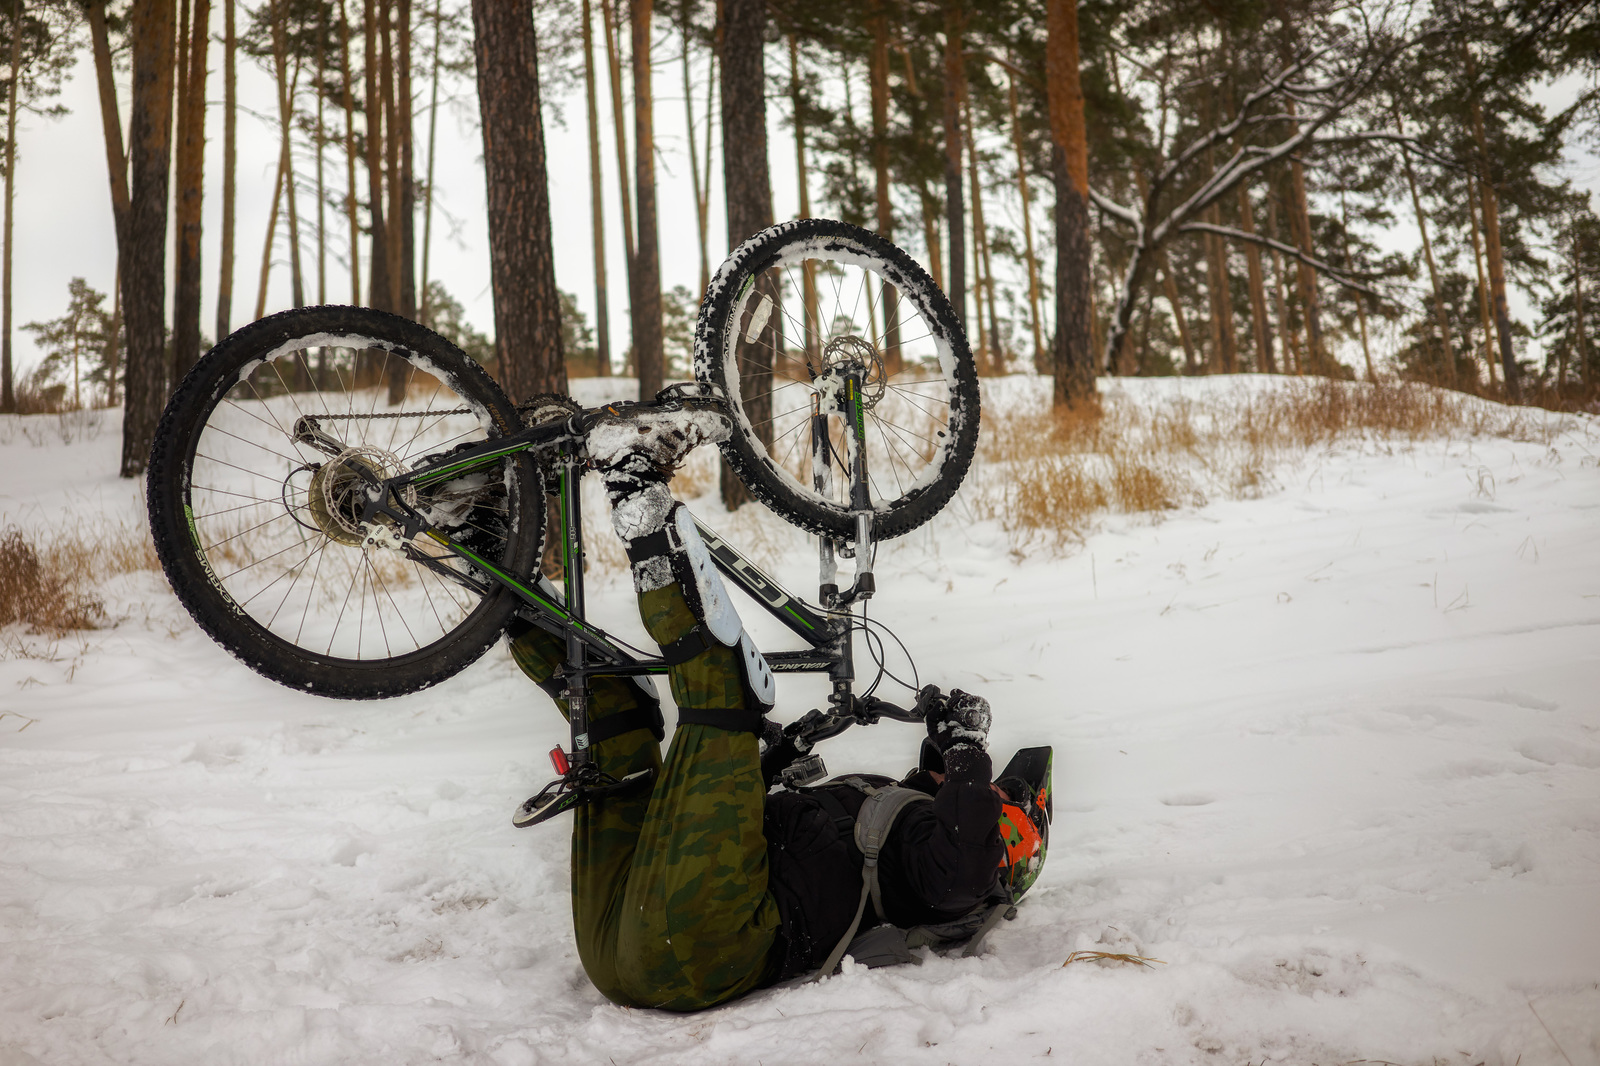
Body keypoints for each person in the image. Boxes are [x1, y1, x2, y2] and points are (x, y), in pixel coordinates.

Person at [503, 404, 1047, 1012]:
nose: (975, 788)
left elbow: (964, 864)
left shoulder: (965, 884)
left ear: (1012, 840)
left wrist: (971, 751)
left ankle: (633, 476)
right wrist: (777, 757)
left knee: (725, 696)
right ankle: (484, 542)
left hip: (704, 947)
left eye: (996, 798)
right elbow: (721, 834)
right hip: (625, 946)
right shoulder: (903, 823)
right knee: (617, 713)